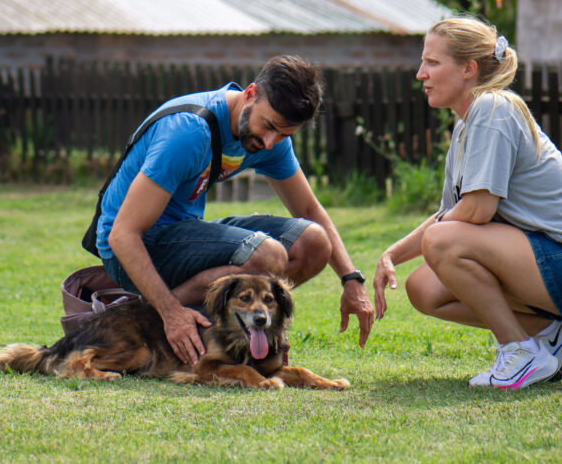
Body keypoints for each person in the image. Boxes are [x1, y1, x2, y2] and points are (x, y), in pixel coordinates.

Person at [372, 16, 562, 389]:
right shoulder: (467, 124)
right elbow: (450, 214)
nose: (420, 73)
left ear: (468, 69)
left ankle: (519, 352)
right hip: (551, 261)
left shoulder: (493, 108)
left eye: (432, 63)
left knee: (441, 241)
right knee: (423, 288)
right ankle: (552, 335)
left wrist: (432, 238)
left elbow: (476, 211)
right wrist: (391, 255)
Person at [93, 55, 375, 366]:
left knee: (314, 243)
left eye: (283, 134)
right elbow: (122, 234)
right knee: (267, 255)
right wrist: (170, 313)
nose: (270, 142)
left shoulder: (268, 138)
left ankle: (226, 328)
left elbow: (308, 208)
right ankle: (156, 316)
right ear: (250, 93)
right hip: (132, 248)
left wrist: (351, 279)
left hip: (182, 235)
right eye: (268, 126)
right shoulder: (189, 131)